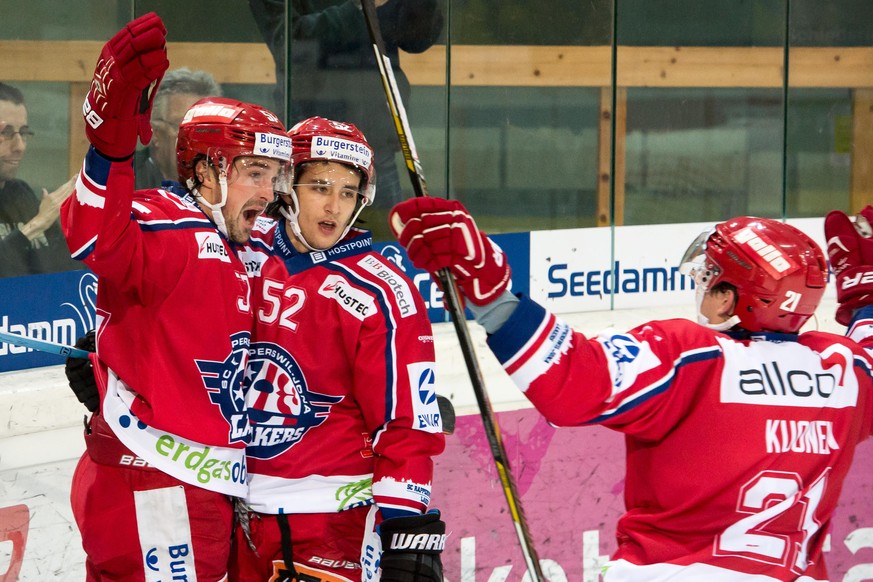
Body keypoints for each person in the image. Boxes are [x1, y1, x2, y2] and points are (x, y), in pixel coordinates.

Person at [389, 197, 873, 581]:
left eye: (713, 277)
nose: (703, 283)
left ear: (730, 299)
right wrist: (867, 297)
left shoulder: (691, 356)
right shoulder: (843, 370)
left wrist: (493, 292)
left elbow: (572, 382)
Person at [60, 13, 291, 581]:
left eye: (275, 175)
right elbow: (94, 235)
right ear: (209, 170)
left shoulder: (243, 235)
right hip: (157, 486)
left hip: (204, 483)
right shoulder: (168, 220)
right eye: (256, 173)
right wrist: (108, 147)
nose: (270, 191)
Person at [230, 116, 446, 581]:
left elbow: (405, 424)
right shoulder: (239, 248)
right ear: (287, 184)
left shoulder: (382, 292)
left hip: (328, 523)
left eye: (349, 192)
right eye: (320, 187)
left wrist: (406, 531)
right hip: (229, 508)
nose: (334, 206)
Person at [247, 0, 444, 214]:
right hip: (309, 145)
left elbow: (417, 39)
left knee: (382, 242)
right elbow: (289, 40)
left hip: (375, 143)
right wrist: (361, 8)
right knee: (306, 240)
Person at [0, 81, 79, 278]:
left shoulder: (21, 194)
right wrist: (37, 225)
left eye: (23, 133)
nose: (20, 146)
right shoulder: (38, 217)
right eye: (6, 133)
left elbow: (68, 271)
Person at [133, 67, 222, 190]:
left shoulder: (224, 185)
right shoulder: (128, 182)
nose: (196, 140)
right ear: (156, 133)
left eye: (205, 129)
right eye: (184, 128)